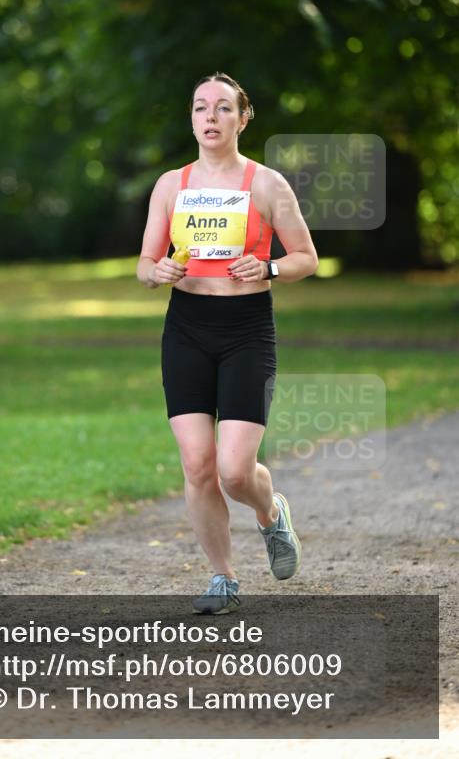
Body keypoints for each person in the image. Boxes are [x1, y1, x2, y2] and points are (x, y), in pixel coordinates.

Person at [136, 72, 318, 614]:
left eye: (221, 108)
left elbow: (307, 257)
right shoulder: (172, 184)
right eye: (200, 108)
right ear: (191, 119)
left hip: (246, 330)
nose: (210, 117)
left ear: (242, 118)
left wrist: (267, 266)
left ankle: (270, 515)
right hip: (186, 327)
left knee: (235, 470)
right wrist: (159, 269)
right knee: (197, 464)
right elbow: (144, 265)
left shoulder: (266, 184)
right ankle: (223, 578)